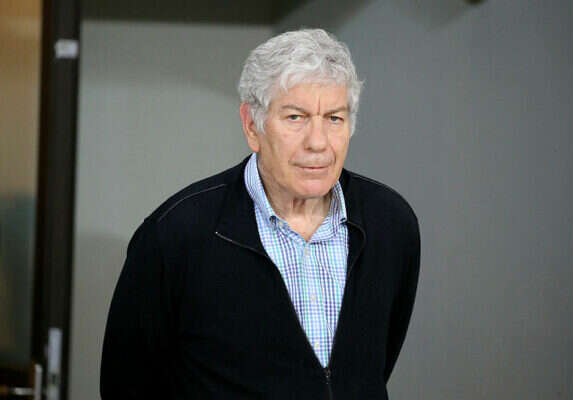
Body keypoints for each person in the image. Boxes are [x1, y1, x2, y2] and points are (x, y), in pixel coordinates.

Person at [100, 28, 420, 399]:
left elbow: (371, 369)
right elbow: (125, 387)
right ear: (252, 125)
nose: (318, 143)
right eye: (296, 117)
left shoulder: (390, 224)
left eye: (334, 118)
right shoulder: (175, 234)